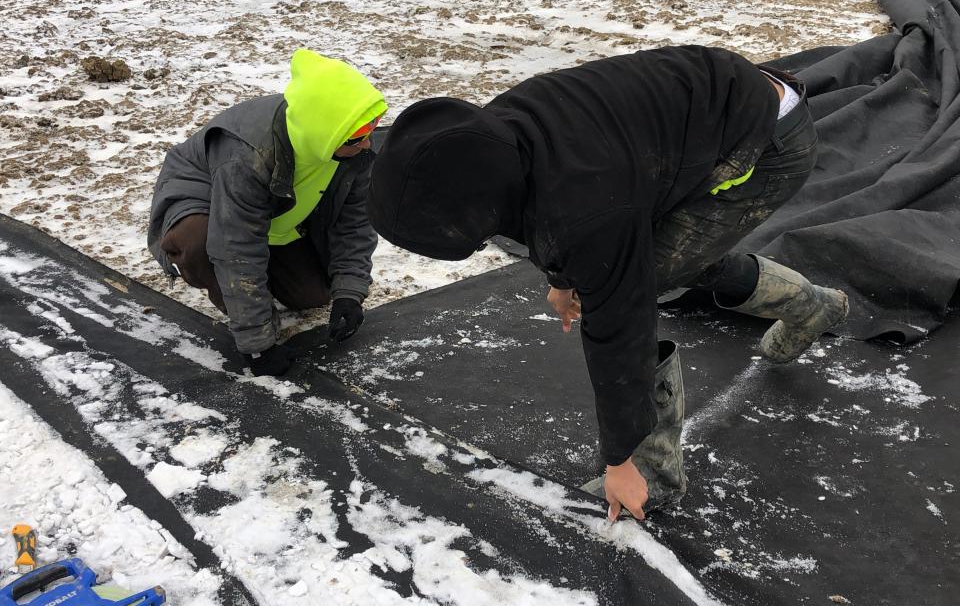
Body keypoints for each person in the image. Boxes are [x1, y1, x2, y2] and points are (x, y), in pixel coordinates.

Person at [366, 45, 848, 521]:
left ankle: (653, 470)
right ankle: (812, 307)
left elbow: (622, 327)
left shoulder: (585, 204)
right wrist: (563, 276)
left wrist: (618, 458)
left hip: (765, 142)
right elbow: (541, 211)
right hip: (693, 118)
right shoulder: (490, 138)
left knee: (646, 278)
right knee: (659, 260)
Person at [148, 48, 386, 376]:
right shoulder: (246, 157)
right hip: (205, 203)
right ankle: (196, 267)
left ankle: (264, 273)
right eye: (357, 137)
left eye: (373, 128)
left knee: (312, 294)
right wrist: (259, 343)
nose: (367, 143)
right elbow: (235, 248)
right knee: (201, 245)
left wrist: (349, 292)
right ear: (321, 134)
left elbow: (355, 223)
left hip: (273, 214)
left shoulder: (353, 151)